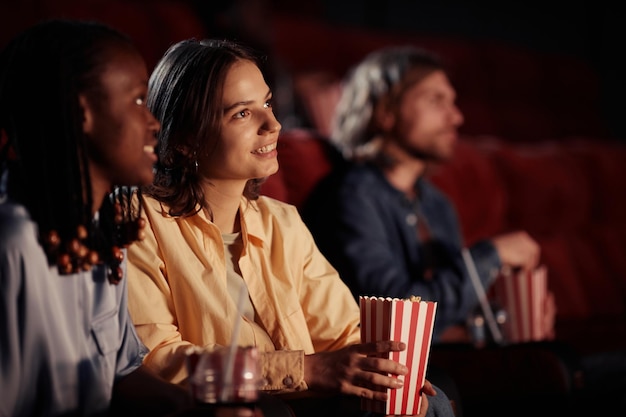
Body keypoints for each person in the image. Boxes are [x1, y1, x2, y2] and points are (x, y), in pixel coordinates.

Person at [125, 38, 456, 417]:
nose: (274, 124)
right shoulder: (139, 220)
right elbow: (155, 360)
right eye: (242, 114)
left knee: (430, 395)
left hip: (312, 405)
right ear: (184, 141)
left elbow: (343, 333)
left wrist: (388, 373)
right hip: (228, 408)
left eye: (266, 103)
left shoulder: (282, 221)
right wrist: (303, 370)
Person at [0, 19, 200, 417]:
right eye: (138, 101)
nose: (154, 123)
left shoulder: (105, 231)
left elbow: (120, 373)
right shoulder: (14, 243)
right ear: (83, 112)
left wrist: (196, 409)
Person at [301, 45, 550, 344]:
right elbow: (397, 316)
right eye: (436, 100)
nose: (456, 117)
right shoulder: (352, 198)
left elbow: (449, 311)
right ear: (385, 113)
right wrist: (490, 257)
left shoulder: (436, 203)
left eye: (453, 103)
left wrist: (507, 320)